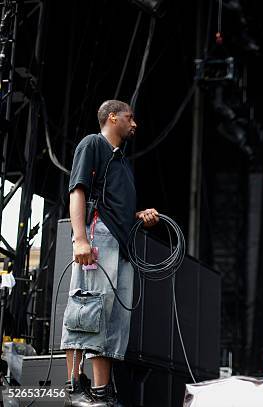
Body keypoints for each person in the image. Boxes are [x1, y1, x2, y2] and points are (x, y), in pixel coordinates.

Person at [61, 100, 160, 406]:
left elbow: (116, 207)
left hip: (120, 243)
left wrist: (138, 215)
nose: (135, 124)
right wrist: (79, 239)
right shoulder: (93, 144)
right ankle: (74, 386)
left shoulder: (123, 163)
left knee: (113, 318)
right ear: (113, 117)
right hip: (97, 237)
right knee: (87, 309)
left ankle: (102, 391)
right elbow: (77, 189)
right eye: (130, 118)